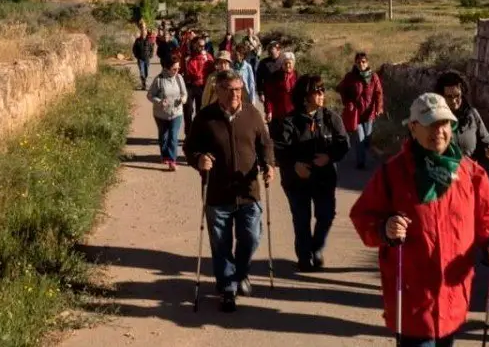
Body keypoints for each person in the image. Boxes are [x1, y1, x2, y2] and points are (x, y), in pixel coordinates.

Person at [350, 92, 489, 345]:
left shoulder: (469, 171)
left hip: (453, 293)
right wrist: (384, 229)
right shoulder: (394, 172)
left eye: (444, 123)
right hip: (411, 297)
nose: (439, 131)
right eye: (431, 124)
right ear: (413, 128)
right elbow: (363, 215)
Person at [185, 70, 276, 312]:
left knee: (252, 237)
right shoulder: (205, 117)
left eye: (239, 89)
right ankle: (227, 287)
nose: (236, 94)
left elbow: (265, 144)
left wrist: (269, 165)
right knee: (221, 244)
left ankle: (241, 273)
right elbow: (190, 147)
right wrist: (198, 159)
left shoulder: (252, 114)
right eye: (230, 89)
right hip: (217, 192)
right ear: (219, 91)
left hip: (248, 191)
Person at [274, 75, 349, 271]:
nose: (322, 94)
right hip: (296, 181)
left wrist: (329, 157)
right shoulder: (289, 121)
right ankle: (304, 255)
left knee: (326, 215)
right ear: (305, 96)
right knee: (301, 218)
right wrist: (294, 165)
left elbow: (343, 144)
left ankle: (316, 248)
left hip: (324, 179)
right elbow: (279, 149)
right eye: (317, 91)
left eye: (323, 90)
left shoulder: (331, 118)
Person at [433, 70, 489, 165]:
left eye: (457, 96)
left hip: (471, 172)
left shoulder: (472, 115)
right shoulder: (434, 119)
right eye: (449, 97)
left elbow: (486, 141)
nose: (454, 101)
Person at [337, 52, 384, 170]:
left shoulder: (373, 77)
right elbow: (341, 88)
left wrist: (378, 108)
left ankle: (364, 152)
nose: (361, 64)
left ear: (367, 62)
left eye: (363, 61)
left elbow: (378, 93)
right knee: (360, 138)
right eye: (358, 62)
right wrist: (348, 103)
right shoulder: (350, 77)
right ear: (355, 63)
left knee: (367, 139)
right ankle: (360, 162)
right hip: (356, 114)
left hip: (369, 113)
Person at [147, 55, 188, 172]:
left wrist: (183, 100)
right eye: (174, 69)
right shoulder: (159, 79)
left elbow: (184, 93)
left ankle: (172, 160)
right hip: (161, 114)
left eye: (178, 68)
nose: (177, 71)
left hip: (176, 113)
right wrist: (159, 101)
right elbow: (150, 95)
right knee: (163, 136)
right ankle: (164, 155)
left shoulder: (179, 78)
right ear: (167, 68)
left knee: (173, 137)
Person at [183, 37, 214, 136]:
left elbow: (212, 71)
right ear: (194, 45)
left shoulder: (208, 57)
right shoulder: (188, 57)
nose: (202, 48)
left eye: (203, 46)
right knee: (187, 110)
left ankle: (198, 133)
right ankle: (188, 132)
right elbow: (182, 71)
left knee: (200, 111)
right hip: (189, 86)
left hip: (202, 87)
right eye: (200, 45)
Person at [263, 52, 298, 130]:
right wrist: (269, 111)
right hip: (278, 114)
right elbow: (268, 96)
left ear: (294, 64)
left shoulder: (297, 76)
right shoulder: (274, 77)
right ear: (282, 64)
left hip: (294, 114)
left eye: (290, 63)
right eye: (285, 63)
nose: (288, 65)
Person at [255, 41, 282, 105]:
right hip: (268, 94)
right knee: (269, 114)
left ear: (278, 50)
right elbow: (259, 79)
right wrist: (261, 93)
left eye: (272, 48)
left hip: (281, 94)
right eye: (269, 48)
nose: (270, 50)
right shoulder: (263, 63)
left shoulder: (284, 62)